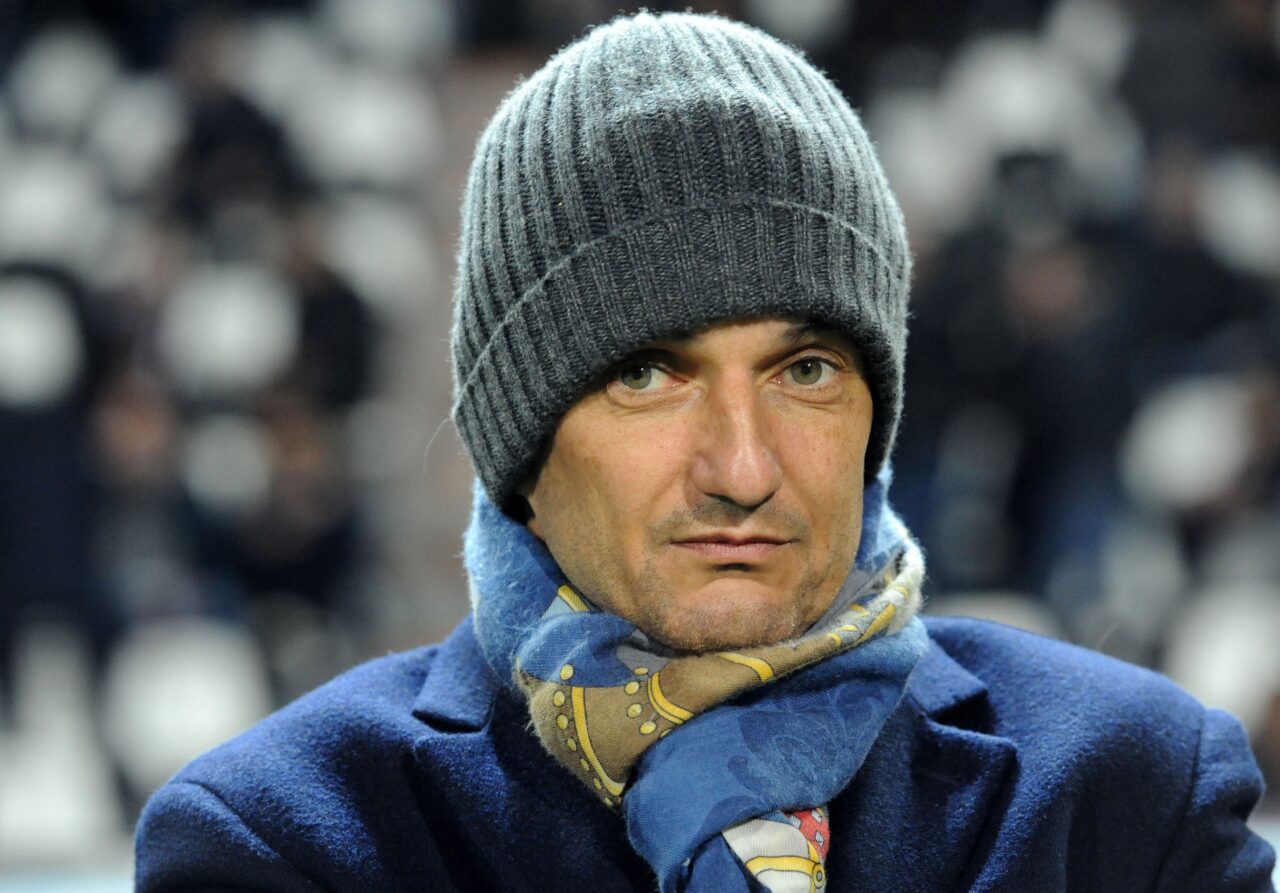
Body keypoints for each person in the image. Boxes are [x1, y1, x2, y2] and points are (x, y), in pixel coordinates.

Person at [135, 12, 1276, 892]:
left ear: (873, 423)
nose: (741, 467)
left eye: (805, 371)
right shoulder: (292, 840)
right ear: (519, 446)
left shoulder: (1129, 795)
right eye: (647, 375)